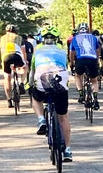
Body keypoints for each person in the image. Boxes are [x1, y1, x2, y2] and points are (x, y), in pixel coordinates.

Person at [29, 28, 73, 160]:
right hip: (60, 82)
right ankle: (68, 150)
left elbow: (32, 72)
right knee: (63, 117)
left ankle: (41, 119)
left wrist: (29, 84)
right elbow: (66, 68)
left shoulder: (37, 52)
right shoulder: (62, 51)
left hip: (42, 80)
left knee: (36, 98)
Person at [68, 22, 101, 110]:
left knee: (78, 76)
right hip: (92, 59)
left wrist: (71, 63)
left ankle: (81, 93)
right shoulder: (93, 37)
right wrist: (97, 60)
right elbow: (97, 50)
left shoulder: (75, 38)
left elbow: (71, 52)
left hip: (80, 59)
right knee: (94, 80)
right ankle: (95, 98)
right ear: (88, 29)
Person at [0, 24, 26, 101]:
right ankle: (21, 82)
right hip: (16, 55)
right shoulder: (18, 37)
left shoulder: (2, 38)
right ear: (15, 31)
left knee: (7, 78)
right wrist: (25, 61)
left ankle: (9, 99)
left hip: (6, 57)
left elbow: (2, 51)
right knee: (24, 68)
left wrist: (2, 62)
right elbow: (23, 51)